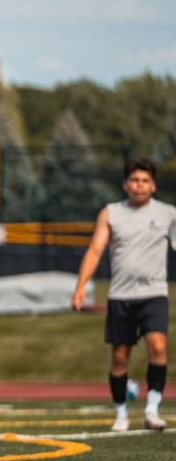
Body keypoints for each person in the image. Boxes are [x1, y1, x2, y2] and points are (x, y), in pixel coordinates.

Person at [72, 158, 175, 432]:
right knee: (119, 357)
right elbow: (95, 250)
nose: (139, 185)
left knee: (158, 347)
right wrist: (81, 286)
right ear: (125, 184)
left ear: (152, 186)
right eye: (134, 180)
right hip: (121, 295)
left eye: (145, 181)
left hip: (154, 293)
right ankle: (121, 413)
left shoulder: (168, 214)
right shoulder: (111, 213)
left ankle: (152, 410)